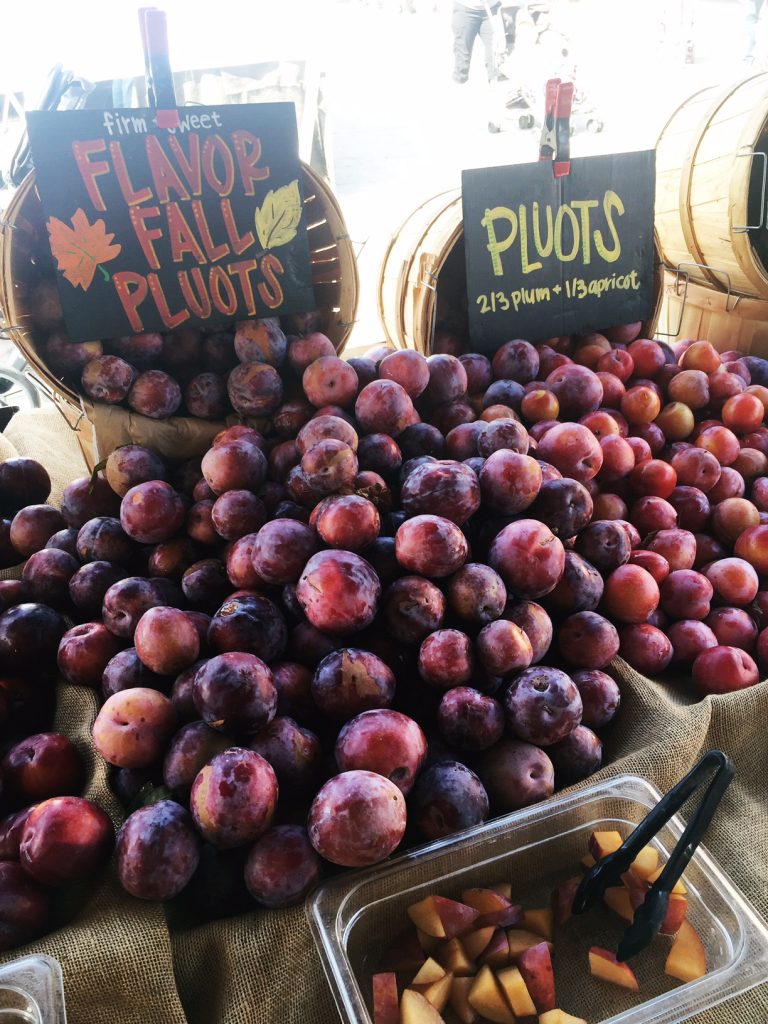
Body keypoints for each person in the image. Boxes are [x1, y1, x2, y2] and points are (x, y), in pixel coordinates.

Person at [451, 0, 504, 84]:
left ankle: (496, 86)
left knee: (496, 53)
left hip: (492, 9)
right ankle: (459, 84)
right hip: (466, 9)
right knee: (462, 58)